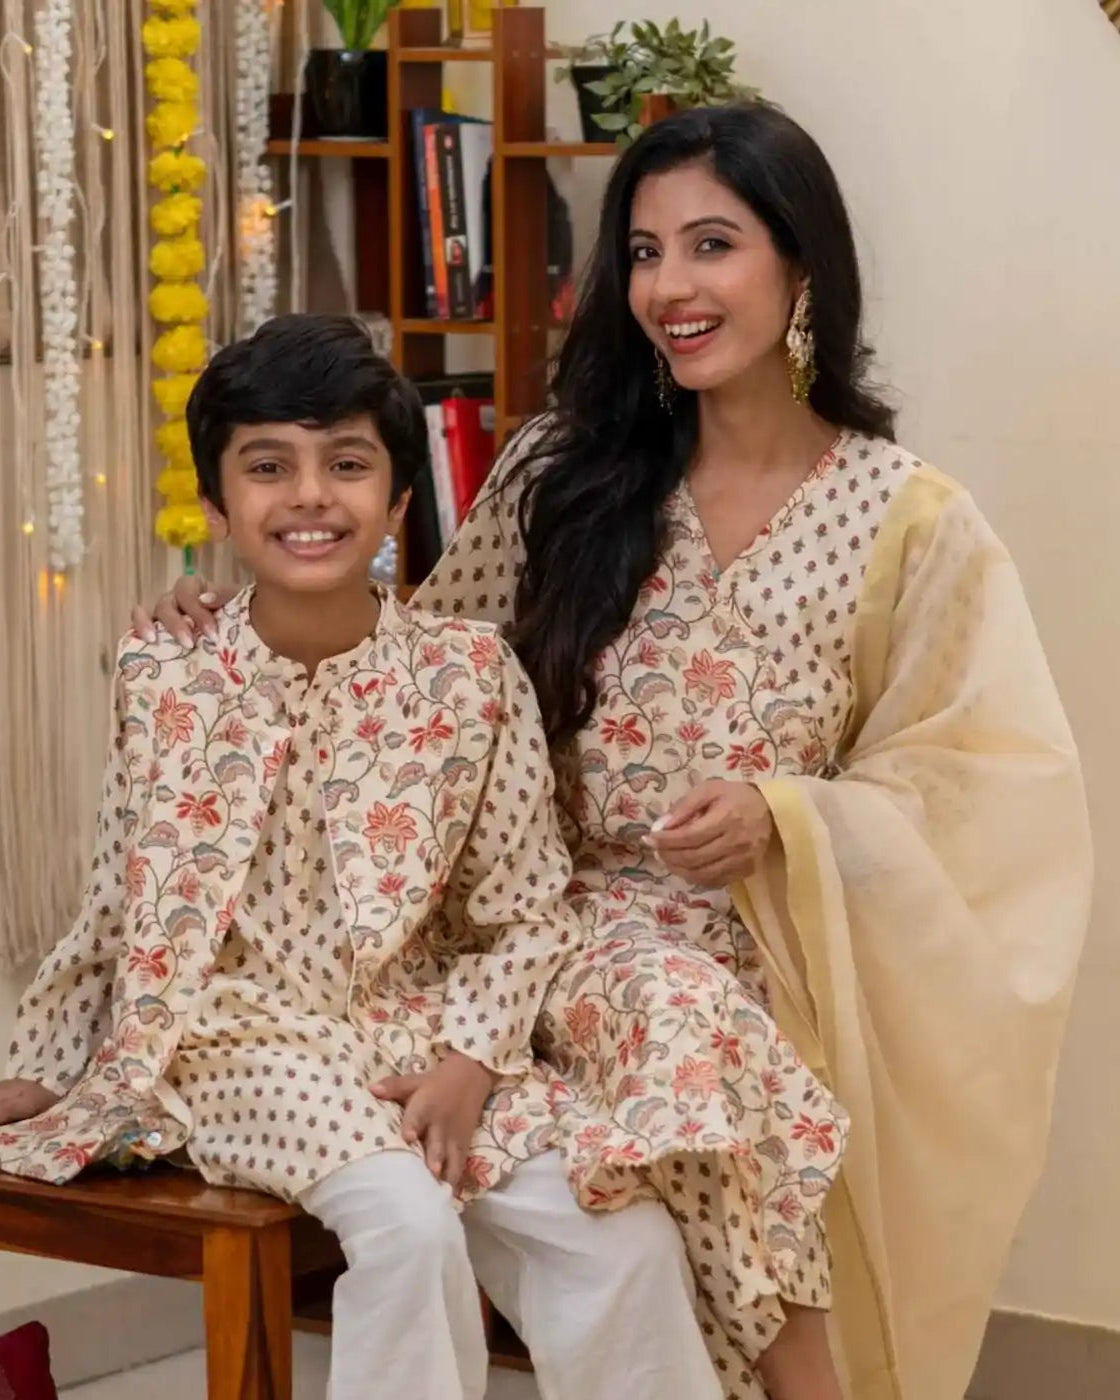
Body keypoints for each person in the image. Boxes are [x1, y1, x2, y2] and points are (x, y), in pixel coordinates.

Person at [135, 102, 1091, 1400]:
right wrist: (236, 618)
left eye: (712, 245)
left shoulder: (906, 521)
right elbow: (415, 675)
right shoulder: (559, 474)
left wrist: (790, 815)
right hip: (551, 923)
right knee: (684, 1025)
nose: (671, 289)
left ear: (802, 265)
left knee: (702, 1034)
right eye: (643, 254)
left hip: (776, 940)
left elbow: (985, 782)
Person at [0, 315, 727, 1400]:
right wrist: (44, 1059)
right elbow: (122, 894)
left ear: (395, 502)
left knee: (619, 1239)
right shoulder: (168, 667)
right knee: (406, 1226)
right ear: (217, 505)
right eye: (267, 467)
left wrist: (472, 1063)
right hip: (234, 1035)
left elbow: (528, 906)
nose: (308, 496)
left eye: (346, 464)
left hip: (420, 1033)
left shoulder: (469, 674)